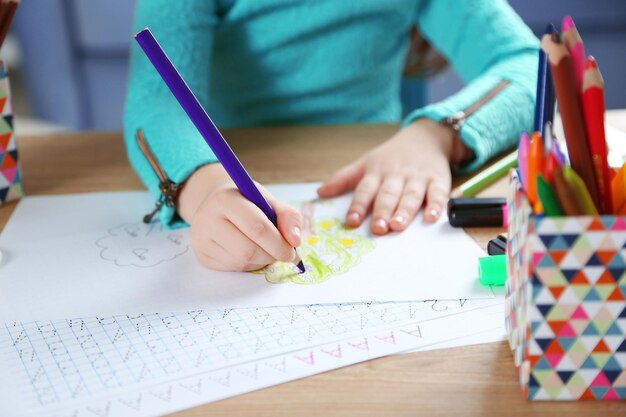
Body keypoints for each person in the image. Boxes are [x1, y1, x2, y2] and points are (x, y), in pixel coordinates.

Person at [124, 0, 538, 272]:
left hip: (379, 171)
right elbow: (155, 104)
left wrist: (438, 134)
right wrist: (206, 189)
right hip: (238, 170)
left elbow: (532, 66)